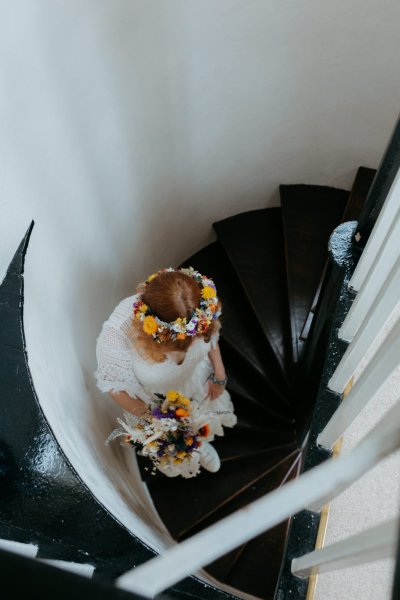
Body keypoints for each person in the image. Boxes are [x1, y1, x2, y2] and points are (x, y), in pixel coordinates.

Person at [95, 266, 237, 477]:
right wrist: (165, 426)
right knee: (181, 440)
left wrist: (219, 372)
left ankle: (202, 435)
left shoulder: (197, 301)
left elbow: (211, 336)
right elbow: (115, 387)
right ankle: (196, 446)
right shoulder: (118, 334)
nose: (189, 345)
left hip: (196, 381)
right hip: (158, 401)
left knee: (203, 417)